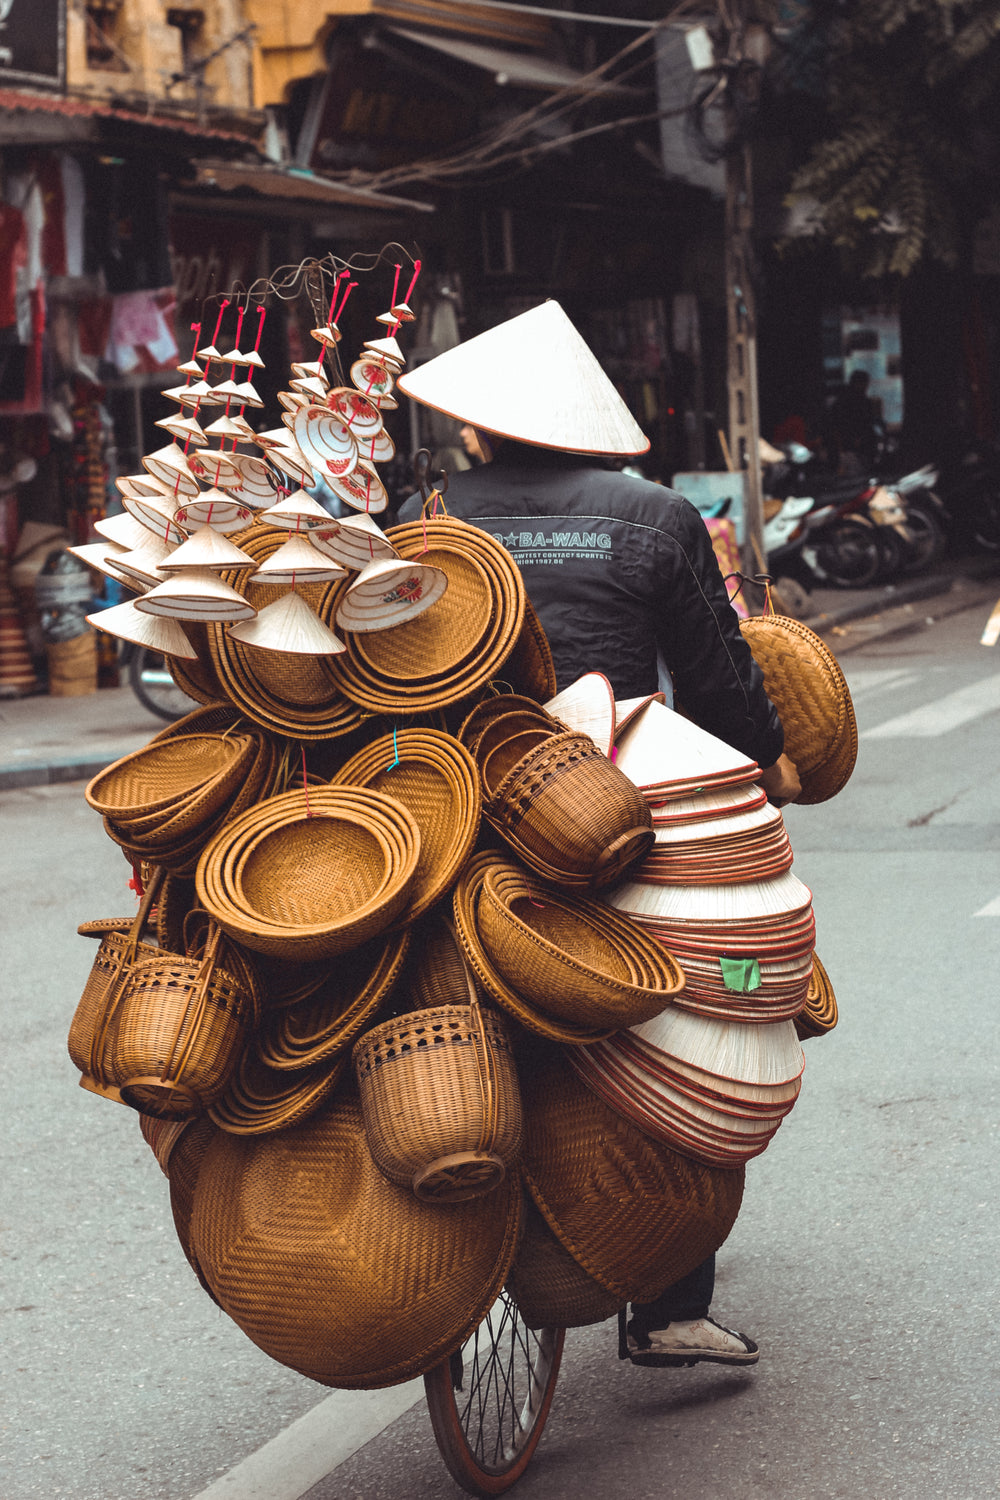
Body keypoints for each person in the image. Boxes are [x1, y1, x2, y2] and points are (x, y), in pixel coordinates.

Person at [397, 301, 800, 1370]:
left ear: (477, 426)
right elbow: (719, 685)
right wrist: (767, 758)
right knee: (700, 1010)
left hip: (453, 812)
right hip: (620, 811)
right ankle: (668, 1309)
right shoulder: (656, 515)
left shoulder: (424, 510)